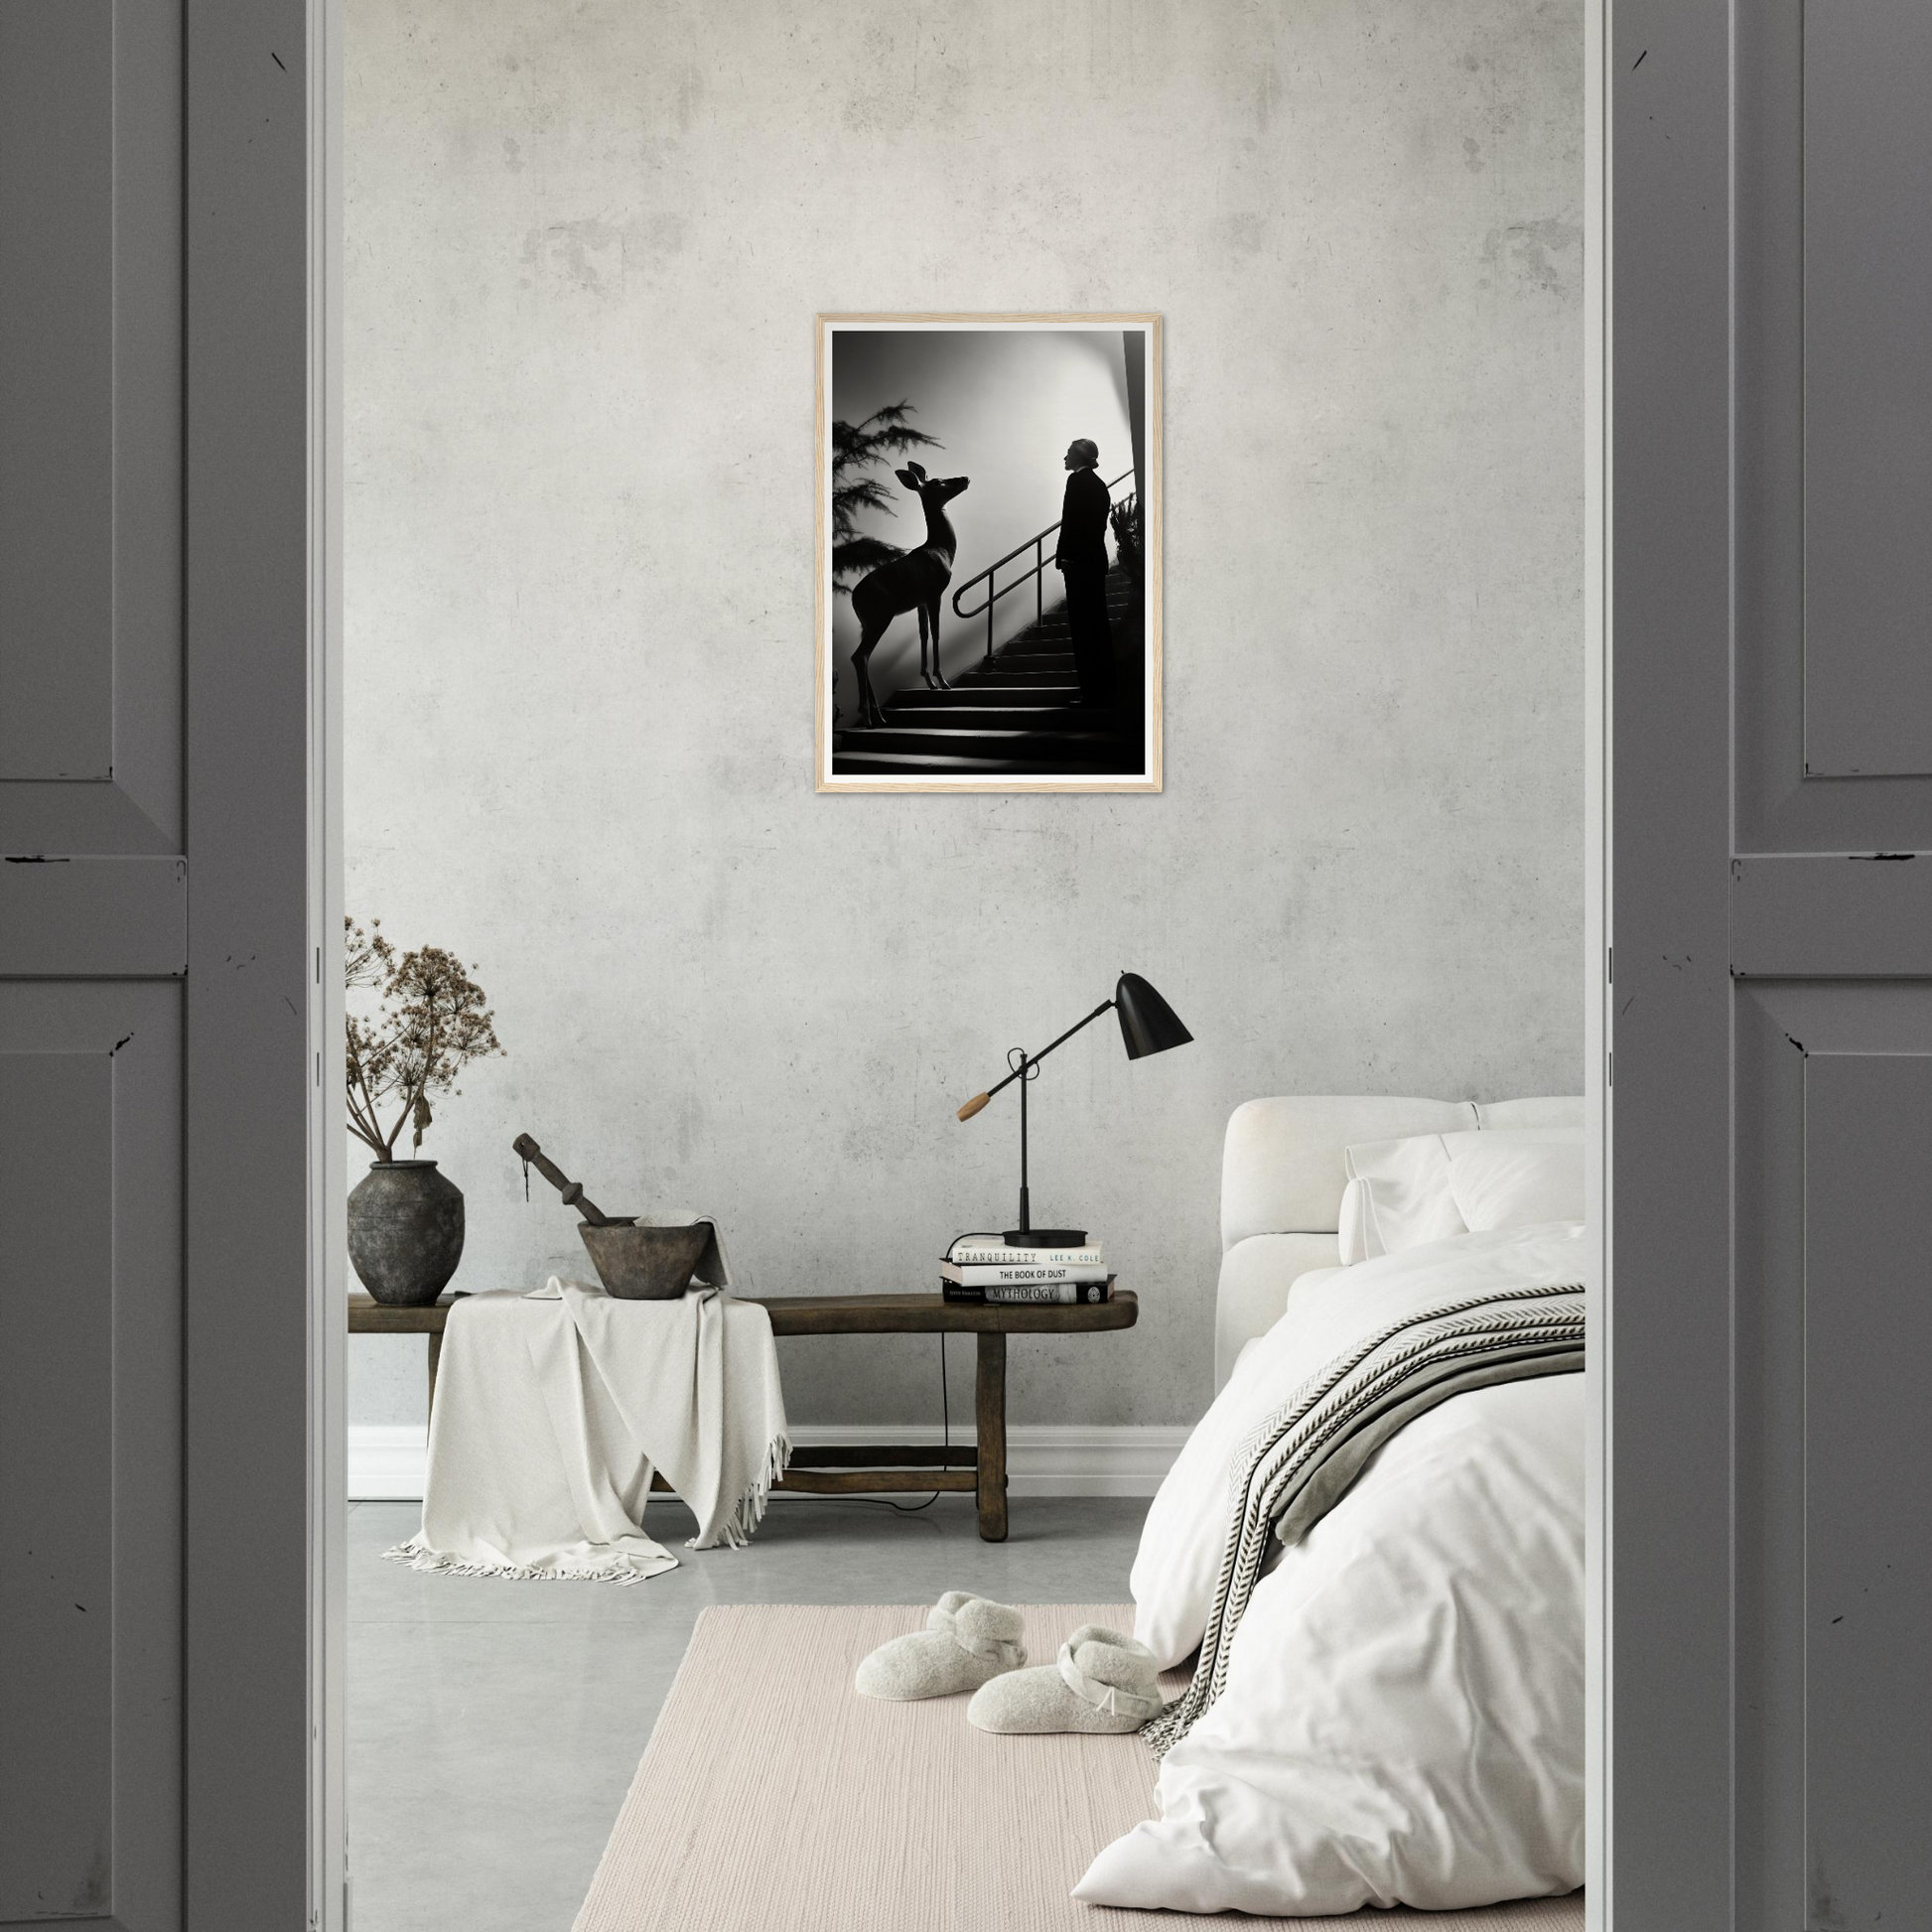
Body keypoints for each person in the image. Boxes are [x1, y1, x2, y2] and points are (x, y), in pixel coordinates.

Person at [1053, 438, 1113, 707]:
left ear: (1078, 455)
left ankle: (1091, 693)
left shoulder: (1076, 482)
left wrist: (1064, 557)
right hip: (1095, 562)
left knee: (1082, 629)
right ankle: (1103, 690)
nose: (1064, 458)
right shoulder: (1100, 485)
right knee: (1098, 626)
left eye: (1068, 453)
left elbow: (1071, 523)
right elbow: (1094, 528)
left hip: (1078, 565)